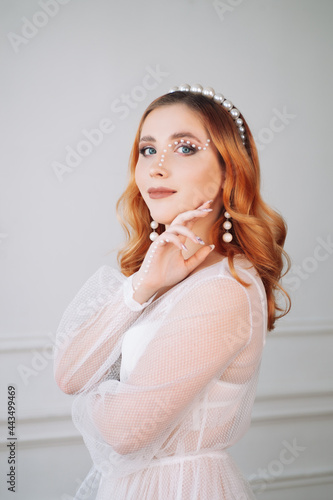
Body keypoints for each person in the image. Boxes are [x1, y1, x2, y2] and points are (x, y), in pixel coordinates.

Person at [54, 84, 290, 499]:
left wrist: (101, 378)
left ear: (229, 170)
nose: (156, 168)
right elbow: (70, 374)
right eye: (148, 150)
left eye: (184, 149)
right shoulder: (163, 277)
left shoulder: (224, 289)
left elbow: (126, 432)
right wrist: (141, 288)